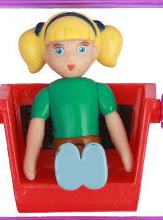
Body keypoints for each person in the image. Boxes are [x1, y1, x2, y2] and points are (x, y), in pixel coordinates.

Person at [18, 12, 132, 190]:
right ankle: (72, 165)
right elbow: (37, 124)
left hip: (92, 143)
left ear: (95, 51)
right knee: (68, 153)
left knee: (91, 151)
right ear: (45, 54)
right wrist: (30, 159)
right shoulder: (48, 93)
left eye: (81, 49)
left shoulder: (98, 89)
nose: (70, 59)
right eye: (59, 50)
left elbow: (113, 120)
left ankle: (89, 164)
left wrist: (125, 153)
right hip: (63, 146)